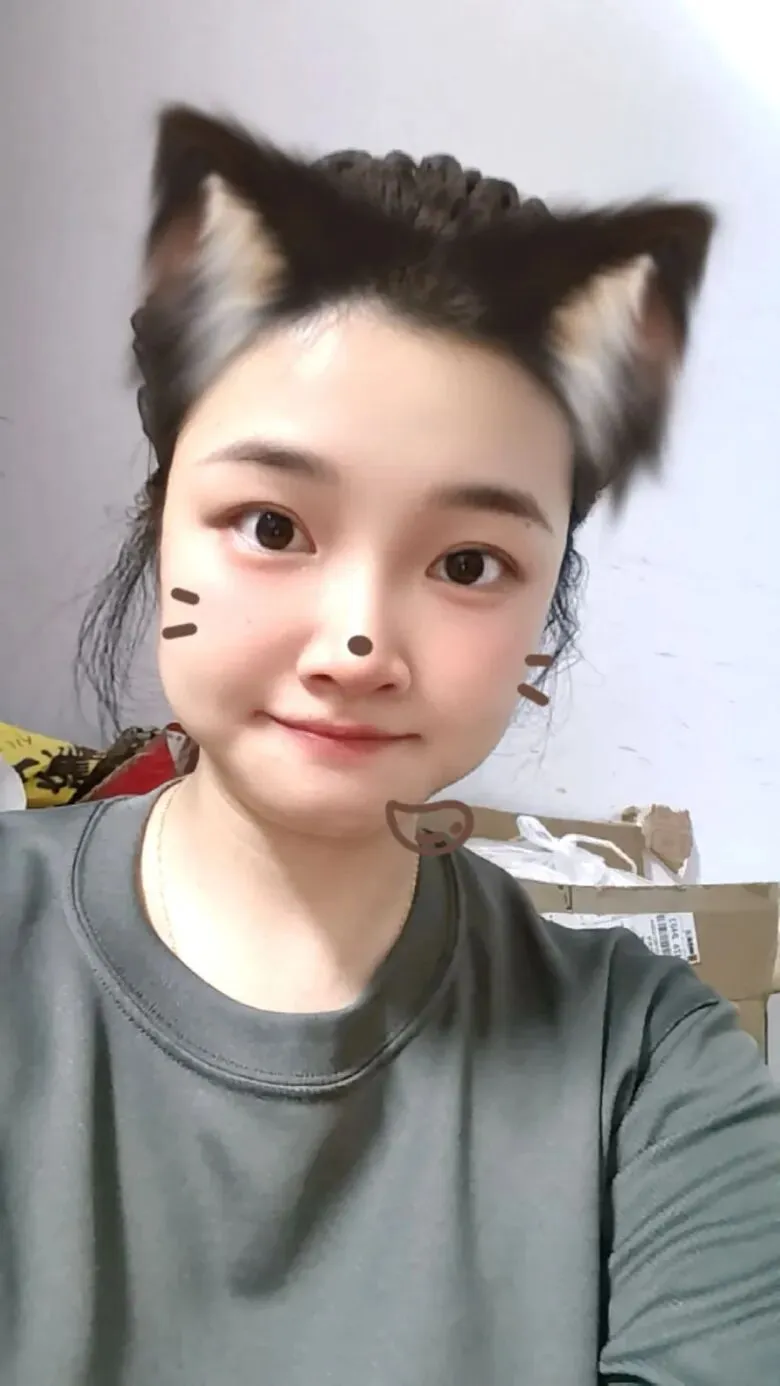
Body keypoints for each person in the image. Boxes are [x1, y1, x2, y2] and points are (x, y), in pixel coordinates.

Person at [1, 104, 778, 1386]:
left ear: (547, 607)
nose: (357, 644)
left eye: (468, 563)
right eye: (272, 525)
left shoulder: (651, 1071)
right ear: (160, 521)